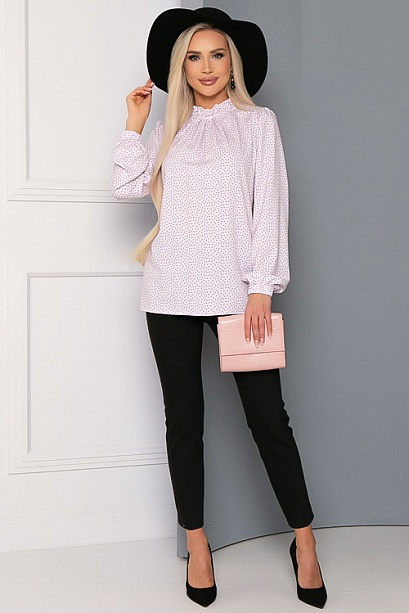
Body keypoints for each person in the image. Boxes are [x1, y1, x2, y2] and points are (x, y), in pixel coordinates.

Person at [112, 7, 327, 609]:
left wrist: (262, 287)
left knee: (269, 421)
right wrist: (135, 124)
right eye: (194, 57)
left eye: (217, 54)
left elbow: (272, 204)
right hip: (169, 292)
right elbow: (127, 188)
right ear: (180, 67)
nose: (206, 67)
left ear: (233, 62)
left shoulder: (257, 124)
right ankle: (197, 543)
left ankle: (305, 542)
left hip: (239, 296)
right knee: (184, 422)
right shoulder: (169, 126)